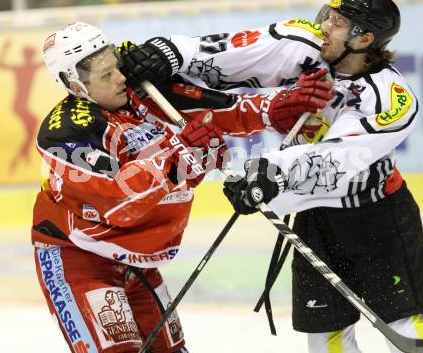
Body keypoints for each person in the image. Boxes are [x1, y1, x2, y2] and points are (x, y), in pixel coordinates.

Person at [117, 0, 423, 353]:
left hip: (376, 218)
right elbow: (229, 54)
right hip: (315, 216)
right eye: (327, 13)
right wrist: (170, 53)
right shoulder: (303, 43)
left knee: (408, 323)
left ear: (365, 39)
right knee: (326, 332)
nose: (325, 25)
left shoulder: (390, 98)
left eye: (339, 22)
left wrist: (272, 174)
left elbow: (337, 160)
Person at [33, 22, 331, 353]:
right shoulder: (67, 134)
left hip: (138, 260)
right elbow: (119, 200)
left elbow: (212, 111)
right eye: (106, 75)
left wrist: (274, 109)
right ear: (75, 84)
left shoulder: (139, 88)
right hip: (81, 258)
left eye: (116, 65)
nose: (120, 77)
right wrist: (178, 156)